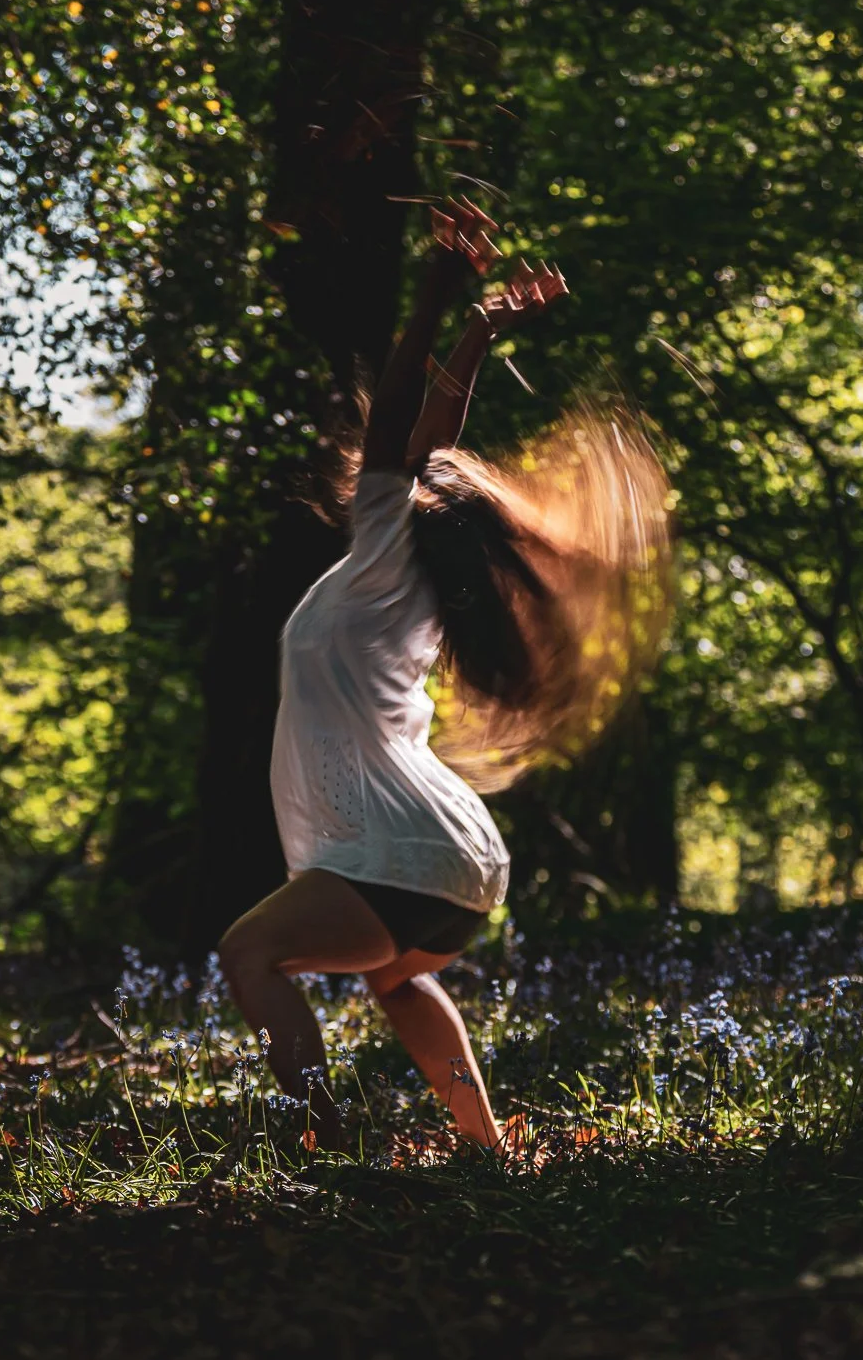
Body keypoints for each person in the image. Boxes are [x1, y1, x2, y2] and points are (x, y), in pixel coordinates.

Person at [217, 200, 672, 1152]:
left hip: (401, 853)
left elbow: (402, 423)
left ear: (416, 502)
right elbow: (428, 431)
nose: (392, 469)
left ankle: (326, 1144)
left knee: (249, 952)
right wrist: (478, 329)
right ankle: (484, 1143)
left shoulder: (388, 553)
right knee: (397, 979)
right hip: (455, 867)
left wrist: (434, 295)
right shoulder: (413, 590)